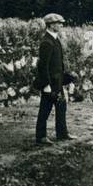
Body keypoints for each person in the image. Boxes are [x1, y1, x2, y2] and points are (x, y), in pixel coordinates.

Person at [34, 13, 73, 144]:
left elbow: (58, 64)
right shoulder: (47, 42)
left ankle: (62, 134)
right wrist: (46, 85)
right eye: (59, 23)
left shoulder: (55, 39)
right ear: (51, 25)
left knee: (61, 107)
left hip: (58, 82)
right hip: (50, 83)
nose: (61, 25)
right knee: (45, 110)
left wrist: (65, 79)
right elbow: (43, 66)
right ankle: (41, 137)